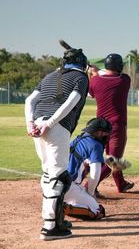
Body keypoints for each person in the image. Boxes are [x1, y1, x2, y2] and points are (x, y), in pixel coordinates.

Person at [24, 40, 90, 240]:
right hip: (56, 127)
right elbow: (72, 101)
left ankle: (56, 219)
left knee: (49, 174)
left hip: (38, 122)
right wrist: (51, 123)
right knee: (58, 176)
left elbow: (30, 101)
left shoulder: (50, 75)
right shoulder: (81, 77)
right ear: (81, 63)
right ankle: (51, 227)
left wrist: (31, 124)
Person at [89, 53, 134, 194]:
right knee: (112, 162)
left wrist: (94, 74)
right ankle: (88, 188)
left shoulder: (95, 81)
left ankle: (121, 184)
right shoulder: (124, 80)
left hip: (98, 128)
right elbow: (111, 77)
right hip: (116, 126)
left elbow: (92, 92)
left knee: (109, 157)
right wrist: (97, 73)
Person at [63, 118, 111, 221]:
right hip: (68, 187)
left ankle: (57, 202)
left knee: (78, 200)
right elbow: (95, 174)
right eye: (106, 133)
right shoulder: (96, 145)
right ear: (99, 132)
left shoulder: (78, 139)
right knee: (98, 211)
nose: (107, 136)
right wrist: (91, 192)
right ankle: (61, 207)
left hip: (51, 185)